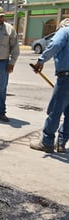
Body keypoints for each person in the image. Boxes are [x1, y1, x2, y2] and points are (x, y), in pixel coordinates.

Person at [29, 18, 69, 153]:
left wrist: (41, 60)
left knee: (54, 111)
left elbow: (55, 45)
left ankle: (47, 142)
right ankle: (61, 143)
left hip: (66, 78)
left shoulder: (64, 31)